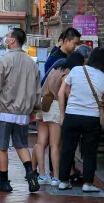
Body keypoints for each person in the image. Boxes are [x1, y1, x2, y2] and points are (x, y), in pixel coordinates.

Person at [0, 28, 42, 193]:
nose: (5, 39)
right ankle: (30, 173)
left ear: (13, 40)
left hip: (4, 111)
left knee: (1, 147)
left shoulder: (3, 61)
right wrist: (34, 110)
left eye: (7, 36)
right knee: (21, 145)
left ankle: (4, 182)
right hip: (22, 113)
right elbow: (38, 90)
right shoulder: (32, 63)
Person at [58, 48, 104, 192]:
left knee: (67, 148)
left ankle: (63, 181)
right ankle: (88, 184)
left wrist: (76, 100)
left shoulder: (75, 70)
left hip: (72, 115)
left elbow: (66, 90)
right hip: (92, 118)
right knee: (90, 152)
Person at [32, 53, 85, 187]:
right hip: (55, 106)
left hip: (43, 103)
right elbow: (65, 92)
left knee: (41, 142)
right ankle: (56, 176)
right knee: (55, 144)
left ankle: (42, 174)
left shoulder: (56, 68)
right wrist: (63, 114)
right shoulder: (67, 73)